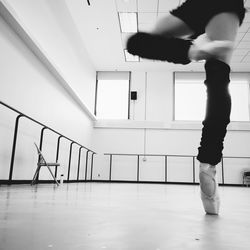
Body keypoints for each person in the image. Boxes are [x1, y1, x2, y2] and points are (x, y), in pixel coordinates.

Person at [127, 0, 246, 215]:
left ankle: (193, 51)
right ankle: (207, 165)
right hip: (227, 4)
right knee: (218, 81)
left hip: (197, 6)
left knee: (135, 42)